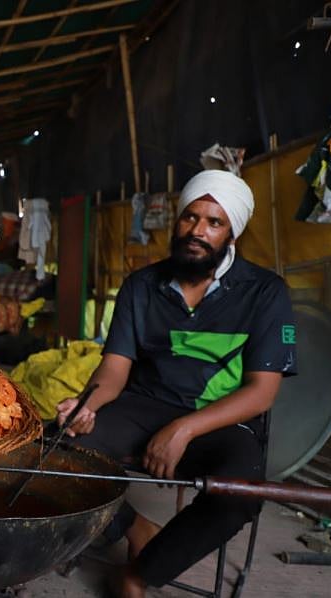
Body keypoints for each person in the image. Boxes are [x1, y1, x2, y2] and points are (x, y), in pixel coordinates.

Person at [56, 170, 296, 598]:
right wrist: (86, 405)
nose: (197, 231)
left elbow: (262, 393)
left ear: (233, 233)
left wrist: (182, 429)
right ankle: (135, 527)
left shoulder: (264, 292)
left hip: (219, 418)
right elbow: (114, 370)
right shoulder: (141, 286)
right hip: (144, 404)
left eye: (214, 222)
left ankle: (139, 574)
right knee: (52, 451)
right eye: (190, 217)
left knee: (240, 495)